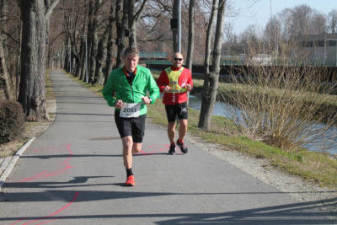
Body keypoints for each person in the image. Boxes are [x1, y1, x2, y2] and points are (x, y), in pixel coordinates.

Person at [102, 47, 160, 186]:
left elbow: (155, 90)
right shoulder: (115, 74)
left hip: (139, 113)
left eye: (134, 60)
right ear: (123, 59)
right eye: (128, 59)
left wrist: (150, 99)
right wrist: (114, 102)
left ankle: (129, 155)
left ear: (138, 60)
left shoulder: (145, 73)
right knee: (127, 143)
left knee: (137, 148)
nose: (131, 63)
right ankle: (130, 175)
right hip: (122, 113)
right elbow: (107, 92)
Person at [157, 52, 193, 155]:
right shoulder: (166, 72)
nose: (178, 61)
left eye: (180, 59)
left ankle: (180, 141)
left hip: (182, 101)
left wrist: (190, 86)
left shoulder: (187, 71)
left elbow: (190, 82)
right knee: (171, 126)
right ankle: (172, 144)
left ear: (183, 60)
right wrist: (164, 88)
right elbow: (158, 84)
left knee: (184, 124)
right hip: (169, 102)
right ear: (172, 60)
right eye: (176, 59)